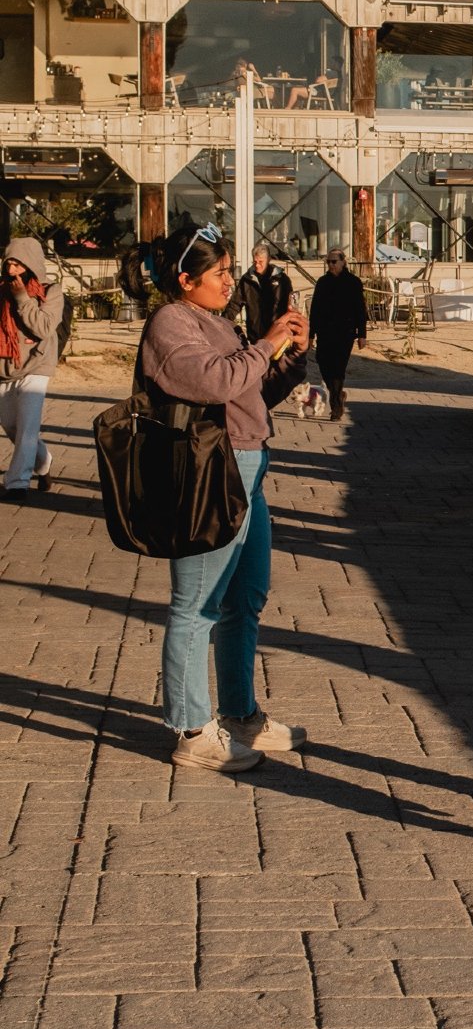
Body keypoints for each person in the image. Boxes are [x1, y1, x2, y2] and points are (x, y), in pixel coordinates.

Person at [140, 223, 309, 771]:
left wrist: (288, 354)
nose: (228, 281)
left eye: (231, 270)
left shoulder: (214, 322)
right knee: (197, 604)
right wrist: (262, 344)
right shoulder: (170, 322)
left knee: (246, 596)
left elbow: (251, 392)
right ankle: (192, 729)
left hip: (247, 466)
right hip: (207, 472)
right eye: (218, 273)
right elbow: (213, 382)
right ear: (185, 279)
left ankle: (239, 715)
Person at [0, 237, 65, 498]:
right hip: (5, 368)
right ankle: (44, 461)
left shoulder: (51, 291)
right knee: (13, 428)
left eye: (19, 264)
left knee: (28, 426)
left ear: (32, 265)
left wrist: (22, 299)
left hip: (37, 364)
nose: (13, 270)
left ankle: (17, 483)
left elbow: (44, 328)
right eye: (9, 264)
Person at [308, 248, 368, 419]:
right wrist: (311, 334)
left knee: (338, 369)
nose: (331, 265)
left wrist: (362, 334)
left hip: (345, 332)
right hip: (325, 332)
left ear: (343, 262)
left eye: (334, 261)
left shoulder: (353, 282)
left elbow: (360, 310)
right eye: (329, 262)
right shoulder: (322, 282)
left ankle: (336, 406)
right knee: (323, 363)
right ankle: (338, 395)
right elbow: (315, 310)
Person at [231, 241, 293, 341]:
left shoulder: (282, 279)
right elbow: (234, 305)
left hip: (277, 334)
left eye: (260, 262)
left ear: (268, 260)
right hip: (255, 336)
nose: (257, 265)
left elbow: (291, 307)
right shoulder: (247, 280)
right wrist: (222, 323)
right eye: (255, 262)